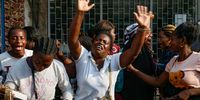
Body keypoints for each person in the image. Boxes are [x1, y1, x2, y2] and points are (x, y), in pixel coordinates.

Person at [68, 0, 154, 99]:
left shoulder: (113, 61)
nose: (101, 43)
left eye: (105, 42)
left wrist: (142, 29)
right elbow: (72, 41)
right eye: (98, 40)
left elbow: (133, 52)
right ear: (92, 42)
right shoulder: (82, 58)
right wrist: (80, 13)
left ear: (110, 49)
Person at [128, 22, 200, 100]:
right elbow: (158, 82)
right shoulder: (173, 61)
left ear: (182, 41)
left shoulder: (197, 59)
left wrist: (189, 92)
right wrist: (133, 70)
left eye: (172, 39)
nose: (170, 42)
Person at [5, 37, 73, 100]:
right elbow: (9, 91)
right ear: (33, 53)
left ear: (53, 58)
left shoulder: (58, 66)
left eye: (46, 65)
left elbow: (67, 89)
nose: (41, 67)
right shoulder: (17, 67)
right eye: (37, 62)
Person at [121, 23, 156, 100]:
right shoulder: (133, 49)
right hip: (134, 94)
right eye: (147, 33)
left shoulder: (145, 49)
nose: (151, 35)